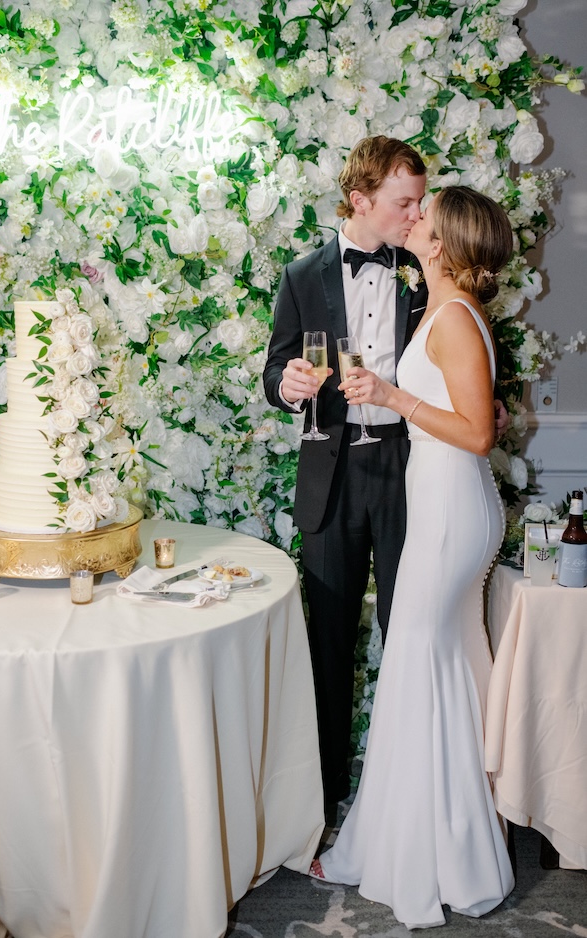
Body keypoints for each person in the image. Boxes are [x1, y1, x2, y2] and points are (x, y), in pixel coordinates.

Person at [309, 185, 515, 929]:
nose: (413, 217)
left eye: (425, 215)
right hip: (440, 501)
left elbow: (478, 433)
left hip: (453, 507)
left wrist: (394, 400)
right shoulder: (441, 309)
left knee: (418, 667)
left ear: (442, 243)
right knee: (432, 670)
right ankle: (448, 844)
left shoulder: (455, 317)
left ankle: (423, 856)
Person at [263, 137, 429, 805]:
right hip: (329, 476)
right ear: (360, 200)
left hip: (409, 470)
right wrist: (289, 383)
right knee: (327, 640)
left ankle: (404, 795)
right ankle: (326, 797)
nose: (417, 215)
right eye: (403, 203)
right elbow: (273, 370)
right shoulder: (302, 276)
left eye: (419, 201)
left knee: (410, 630)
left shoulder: (427, 271)